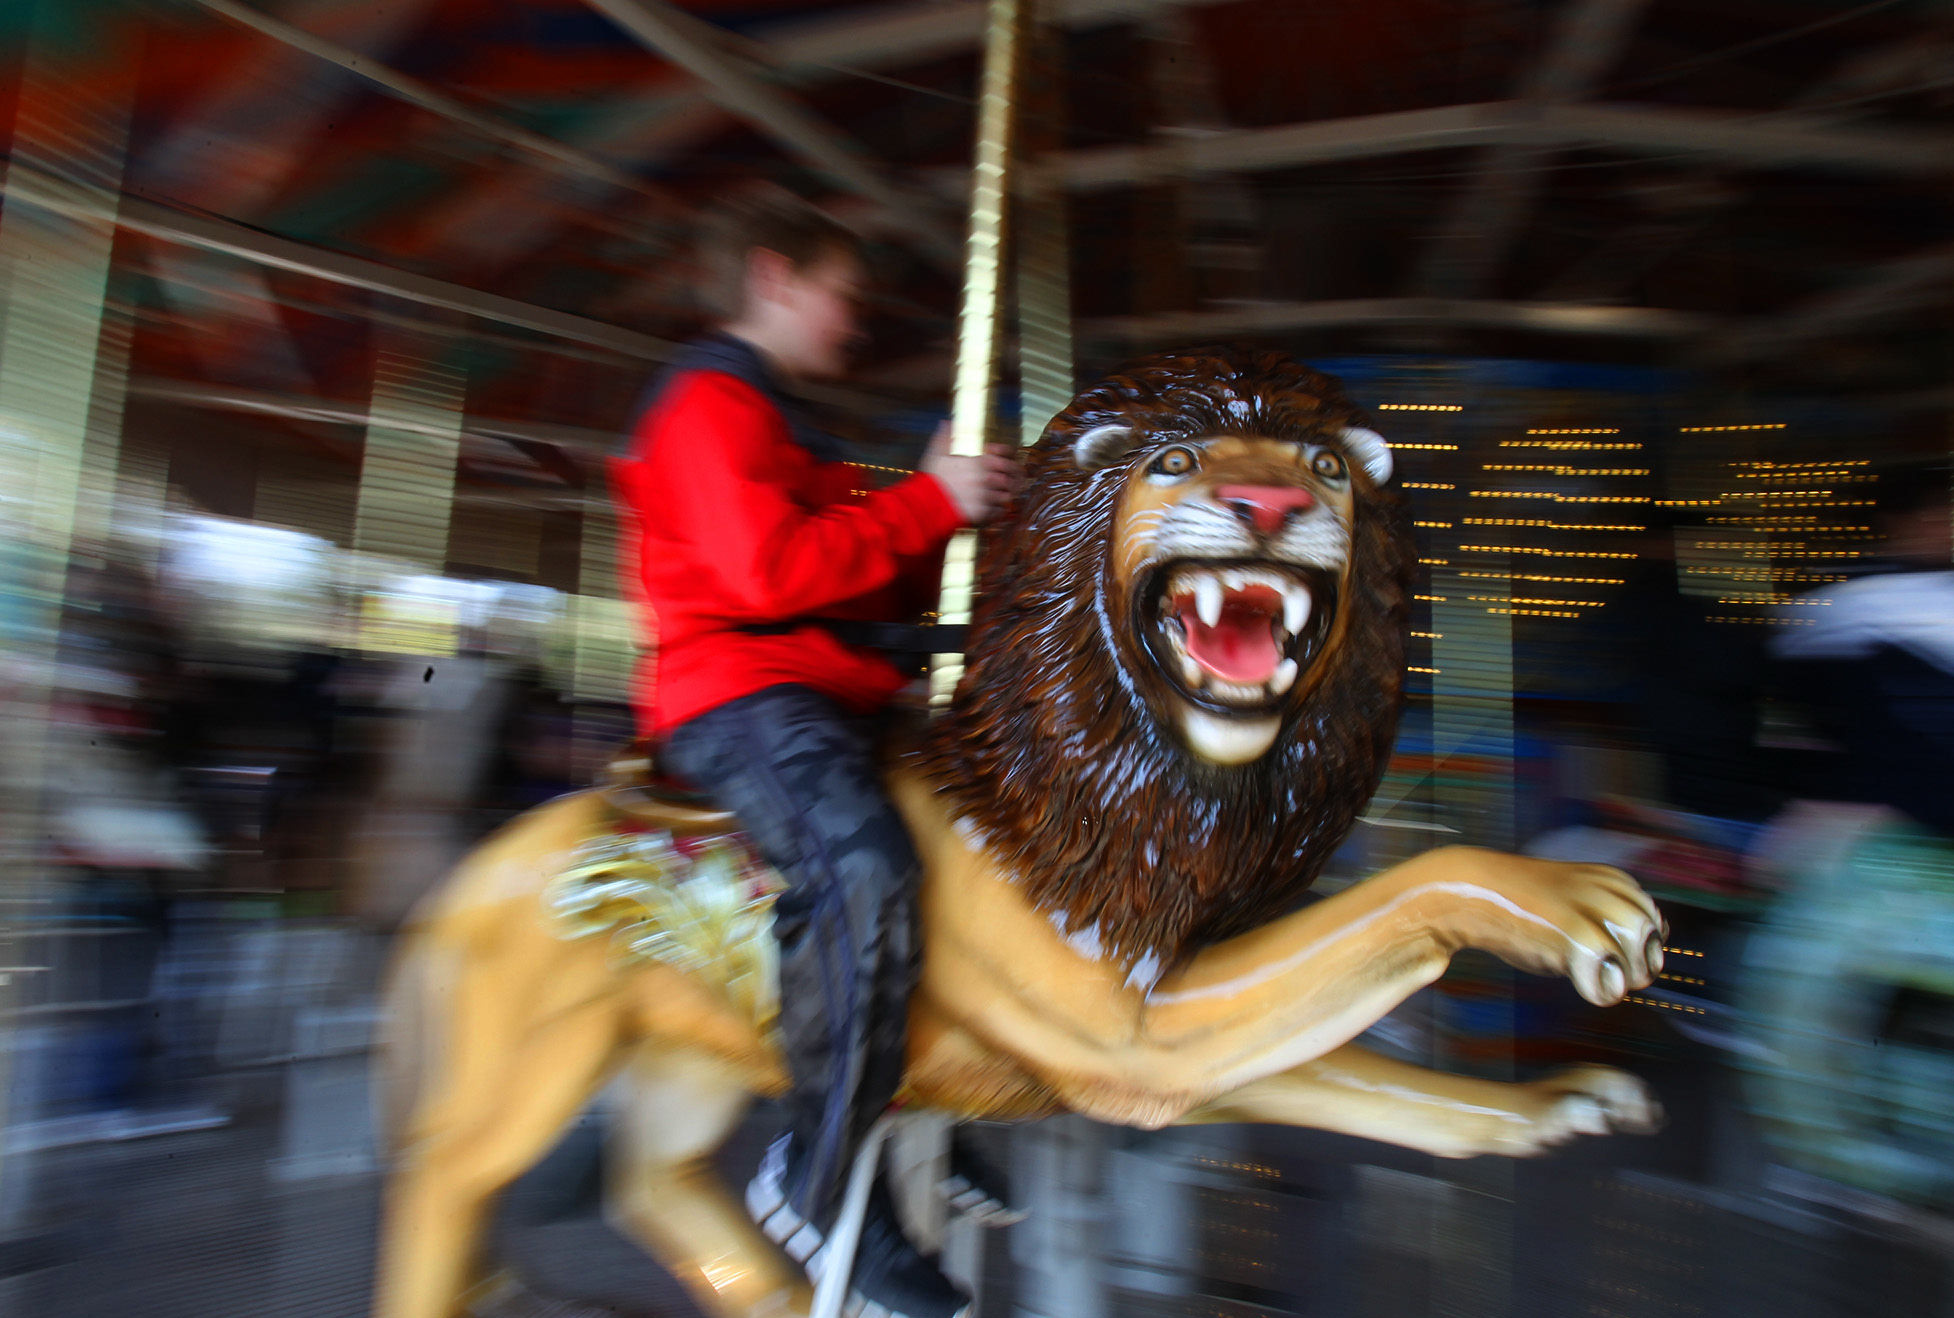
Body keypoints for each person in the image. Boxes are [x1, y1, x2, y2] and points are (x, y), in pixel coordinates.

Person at [610, 186, 1018, 1318]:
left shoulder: (784, 425)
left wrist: (951, 509)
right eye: (843, 292)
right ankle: (820, 1170)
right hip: (739, 695)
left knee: (978, 837)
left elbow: (858, 561)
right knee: (864, 870)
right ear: (773, 278)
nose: (855, 319)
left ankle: (938, 1092)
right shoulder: (708, 402)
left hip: (817, 690)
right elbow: (766, 573)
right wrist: (930, 500)